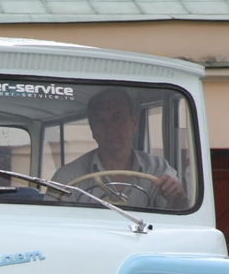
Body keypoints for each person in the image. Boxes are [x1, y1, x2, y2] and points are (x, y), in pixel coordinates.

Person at [52, 87, 188, 209]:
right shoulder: (67, 178)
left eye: (116, 118)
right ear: (92, 129)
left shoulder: (157, 169)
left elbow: (180, 218)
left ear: (134, 123)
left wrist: (177, 195)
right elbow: (54, 227)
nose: (109, 128)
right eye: (100, 121)